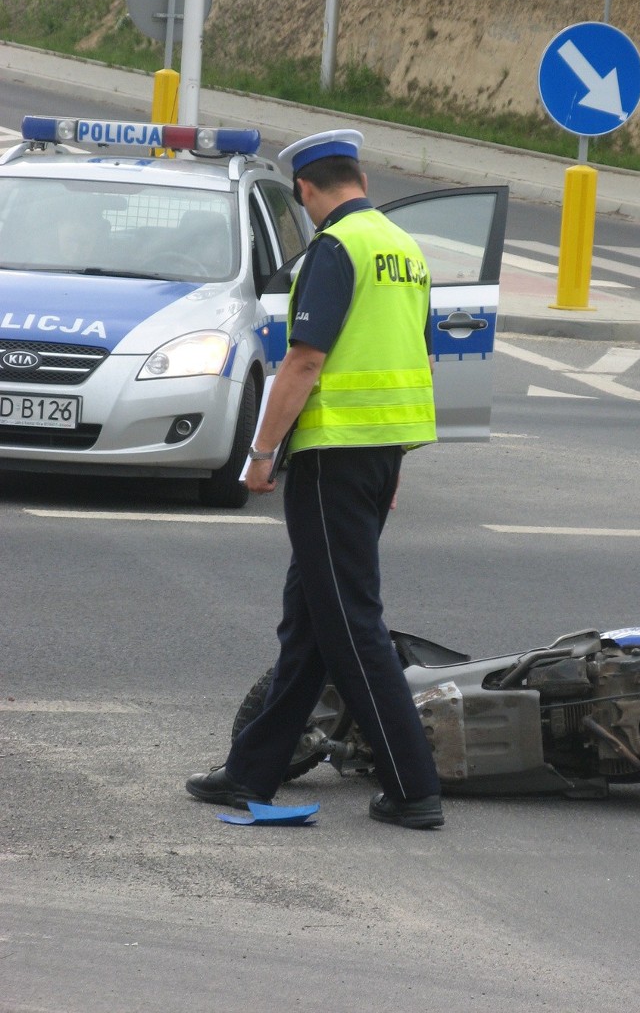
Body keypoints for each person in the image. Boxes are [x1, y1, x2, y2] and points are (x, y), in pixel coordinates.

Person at [186, 129, 444, 829]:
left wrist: (261, 453)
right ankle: (250, 772)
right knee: (309, 622)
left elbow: (304, 361)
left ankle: (413, 787)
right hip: (377, 454)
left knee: (351, 623)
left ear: (305, 190)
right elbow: (416, 361)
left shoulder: (335, 249)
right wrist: (393, 464)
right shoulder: (405, 248)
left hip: (331, 459)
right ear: (358, 176)